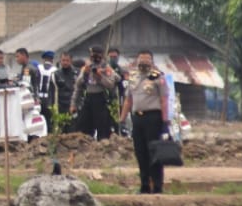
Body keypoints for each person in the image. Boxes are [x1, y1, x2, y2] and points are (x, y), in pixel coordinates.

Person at [119, 50, 172, 194]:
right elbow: (128, 100)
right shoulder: (133, 78)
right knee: (140, 153)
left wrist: (165, 121)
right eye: (141, 59)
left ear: (151, 61)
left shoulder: (158, 78)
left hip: (153, 117)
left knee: (153, 152)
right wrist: (122, 119)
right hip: (137, 118)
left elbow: (164, 100)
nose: (143, 62)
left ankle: (157, 185)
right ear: (137, 61)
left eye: (147, 59)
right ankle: (144, 185)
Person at [71, 45, 118, 140]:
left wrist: (100, 76)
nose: (95, 58)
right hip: (88, 98)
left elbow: (111, 84)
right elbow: (78, 84)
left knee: (103, 127)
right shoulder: (86, 67)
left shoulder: (106, 68)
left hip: (100, 98)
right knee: (83, 126)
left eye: (97, 55)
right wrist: (85, 73)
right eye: (93, 55)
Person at [48, 52, 78, 128]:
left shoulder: (77, 73)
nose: (65, 62)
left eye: (67, 60)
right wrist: (50, 107)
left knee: (73, 128)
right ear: (60, 61)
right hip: (60, 107)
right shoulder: (55, 75)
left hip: (73, 106)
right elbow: (51, 92)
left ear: (71, 61)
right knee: (61, 129)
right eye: (63, 60)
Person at [108, 47, 129, 136]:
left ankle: (121, 131)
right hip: (106, 98)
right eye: (111, 57)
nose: (113, 59)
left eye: (115, 57)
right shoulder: (104, 69)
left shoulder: (121, 70)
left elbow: (125, 86)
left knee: (119, 117)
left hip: (119, 97)